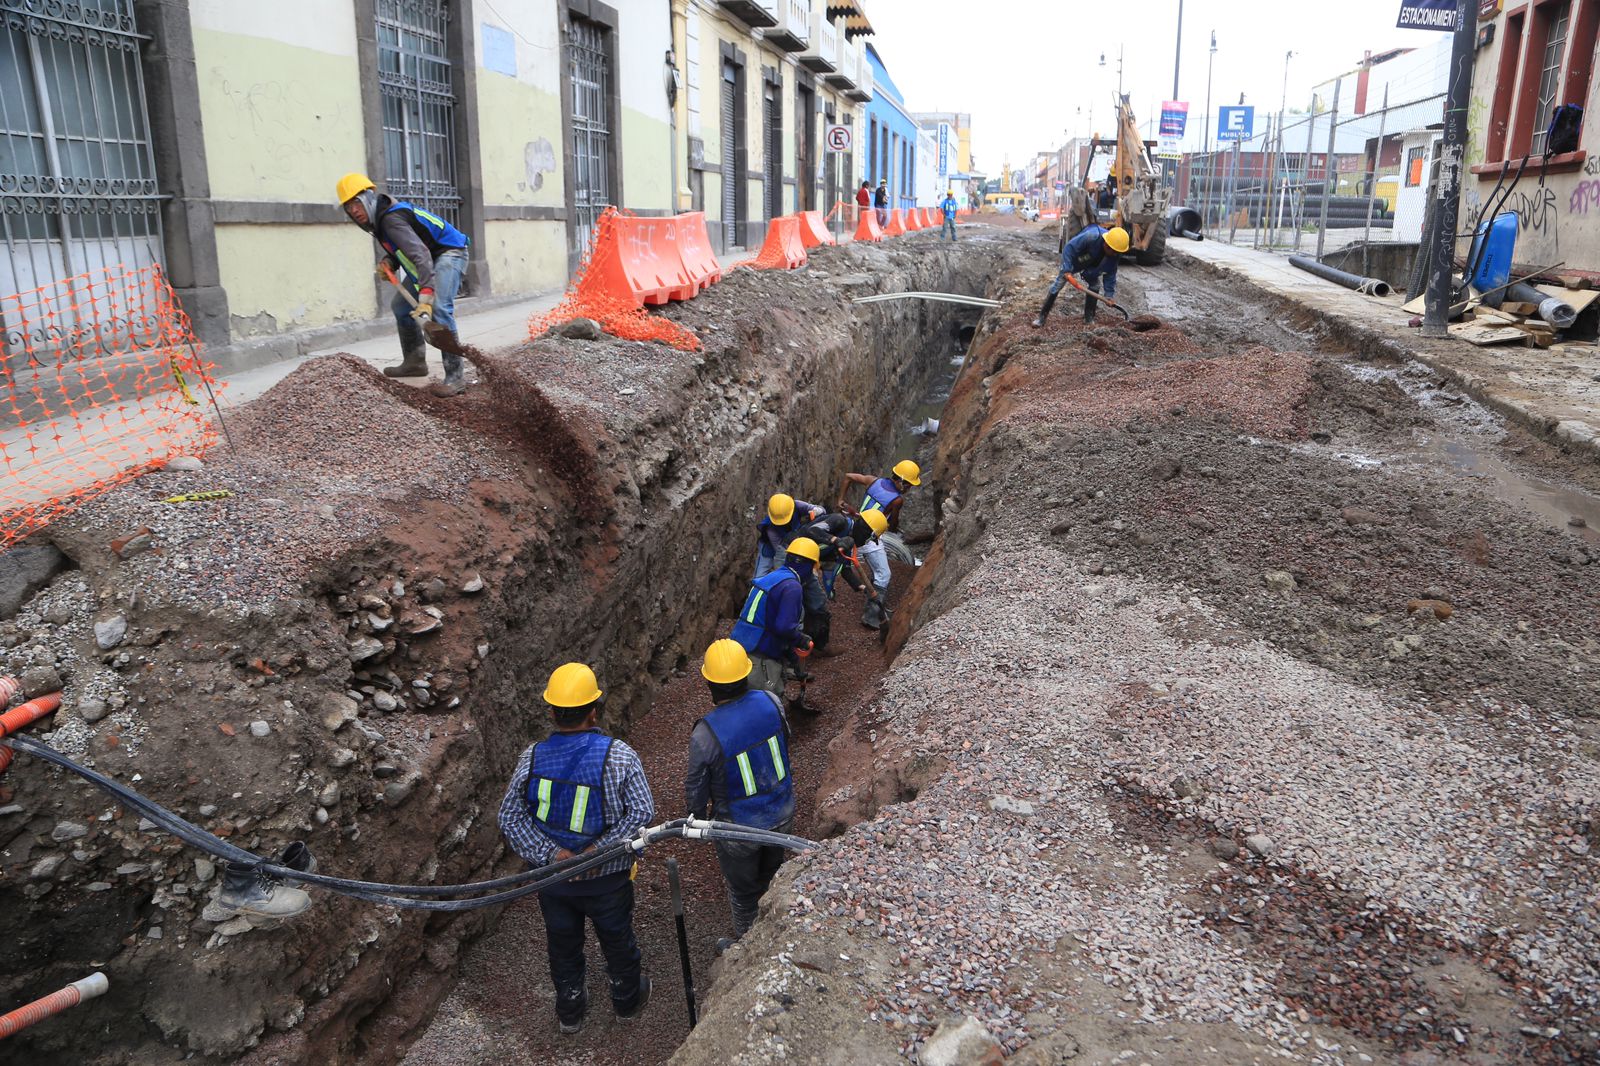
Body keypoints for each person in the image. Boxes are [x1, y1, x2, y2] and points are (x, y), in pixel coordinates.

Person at [497, 663, 655, 1033]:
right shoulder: (619, 756)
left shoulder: (532, 758)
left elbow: (509, 817)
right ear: (594, 709)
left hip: (555, 884)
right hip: (607, 882)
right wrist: (598, 852)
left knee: (563, 946)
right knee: (617, 940)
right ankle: (627, 1000)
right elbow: (642, 812)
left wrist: (554, 855)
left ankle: (570, 1011)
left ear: (552, 712)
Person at [686, 639, 796, 947]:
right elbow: (784, 743)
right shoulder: (771, 701)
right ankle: (778, 929)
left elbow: (696, 786)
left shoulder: (705, 734)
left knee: (744, 892)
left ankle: (748, 949)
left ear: (709, 682)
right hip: (782, 811)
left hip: (738, 830)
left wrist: (694, 818)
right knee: (773, 875)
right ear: (746, 675)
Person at [337, 172, 472, 397]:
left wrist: (426, 296)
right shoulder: (380, 221)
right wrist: (389, 261)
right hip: (431, 256)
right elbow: (406, 248)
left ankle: (456, 377)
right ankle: (415, 362)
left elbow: (420, 254)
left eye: (356, 204)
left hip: (449, 252)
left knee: (439, 309)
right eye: (348, 208)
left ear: (368, 198)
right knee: (401, 306)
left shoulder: (390, 219)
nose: (354, 211)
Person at [836, 460, 921, 629]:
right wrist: (894, 527)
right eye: (909, 485)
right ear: (902, 482)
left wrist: (840, 500)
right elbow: (893, 523)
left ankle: (874, 597)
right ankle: (872, 614)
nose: (909, 488)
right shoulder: (897, 501)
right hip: (870, 537)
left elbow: (848, 477)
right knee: (884, 573)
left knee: (876, 567)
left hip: (857, 526)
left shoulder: (873, 481)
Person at [731, 536, 818, 695]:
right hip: (759, 651)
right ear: (808, 565)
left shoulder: (773, 577)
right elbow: (784, 627)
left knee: (739, 694)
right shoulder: (792, 587)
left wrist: (792, 659)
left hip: (740, 642)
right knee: (764, 699)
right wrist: (801, 639)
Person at [1034, 224, 1129, 328]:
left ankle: (1089, 318)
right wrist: (1067, 269)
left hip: (1092, 269)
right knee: (1058, 284)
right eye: (1113, 251)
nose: (1114, 254)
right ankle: (1041, 318)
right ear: (1106, 243)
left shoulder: (1114, 254)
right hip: (1075, 261)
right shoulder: (1091, 237)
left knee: (1095, 286)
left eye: (1117, 252)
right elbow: (1069, 249)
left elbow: (1110, 274)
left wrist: (1109, 295)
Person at [755, 493, 825, 579]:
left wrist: (816, 511)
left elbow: (822, 510)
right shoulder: (770, 529)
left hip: (795, 539)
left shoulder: (797, 505)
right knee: (760, 575)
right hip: (770, 547)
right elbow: (780, 551)